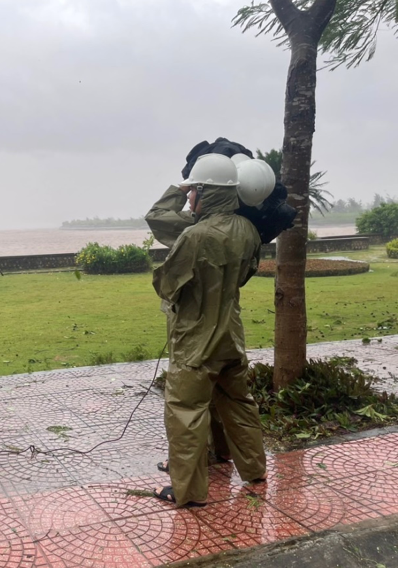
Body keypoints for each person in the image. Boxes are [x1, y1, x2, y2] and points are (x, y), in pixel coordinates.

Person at [149, 154, 267, 507]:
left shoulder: (195, 236)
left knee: (185, 412)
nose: (187, 198)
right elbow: (246, 274)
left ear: (206, 192)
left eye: (192, 191)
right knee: (239, 404)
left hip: (196, 342)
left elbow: (167, 285)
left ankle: (186, 492)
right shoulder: (249, 230)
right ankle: (255, 469)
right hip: (231, 335)